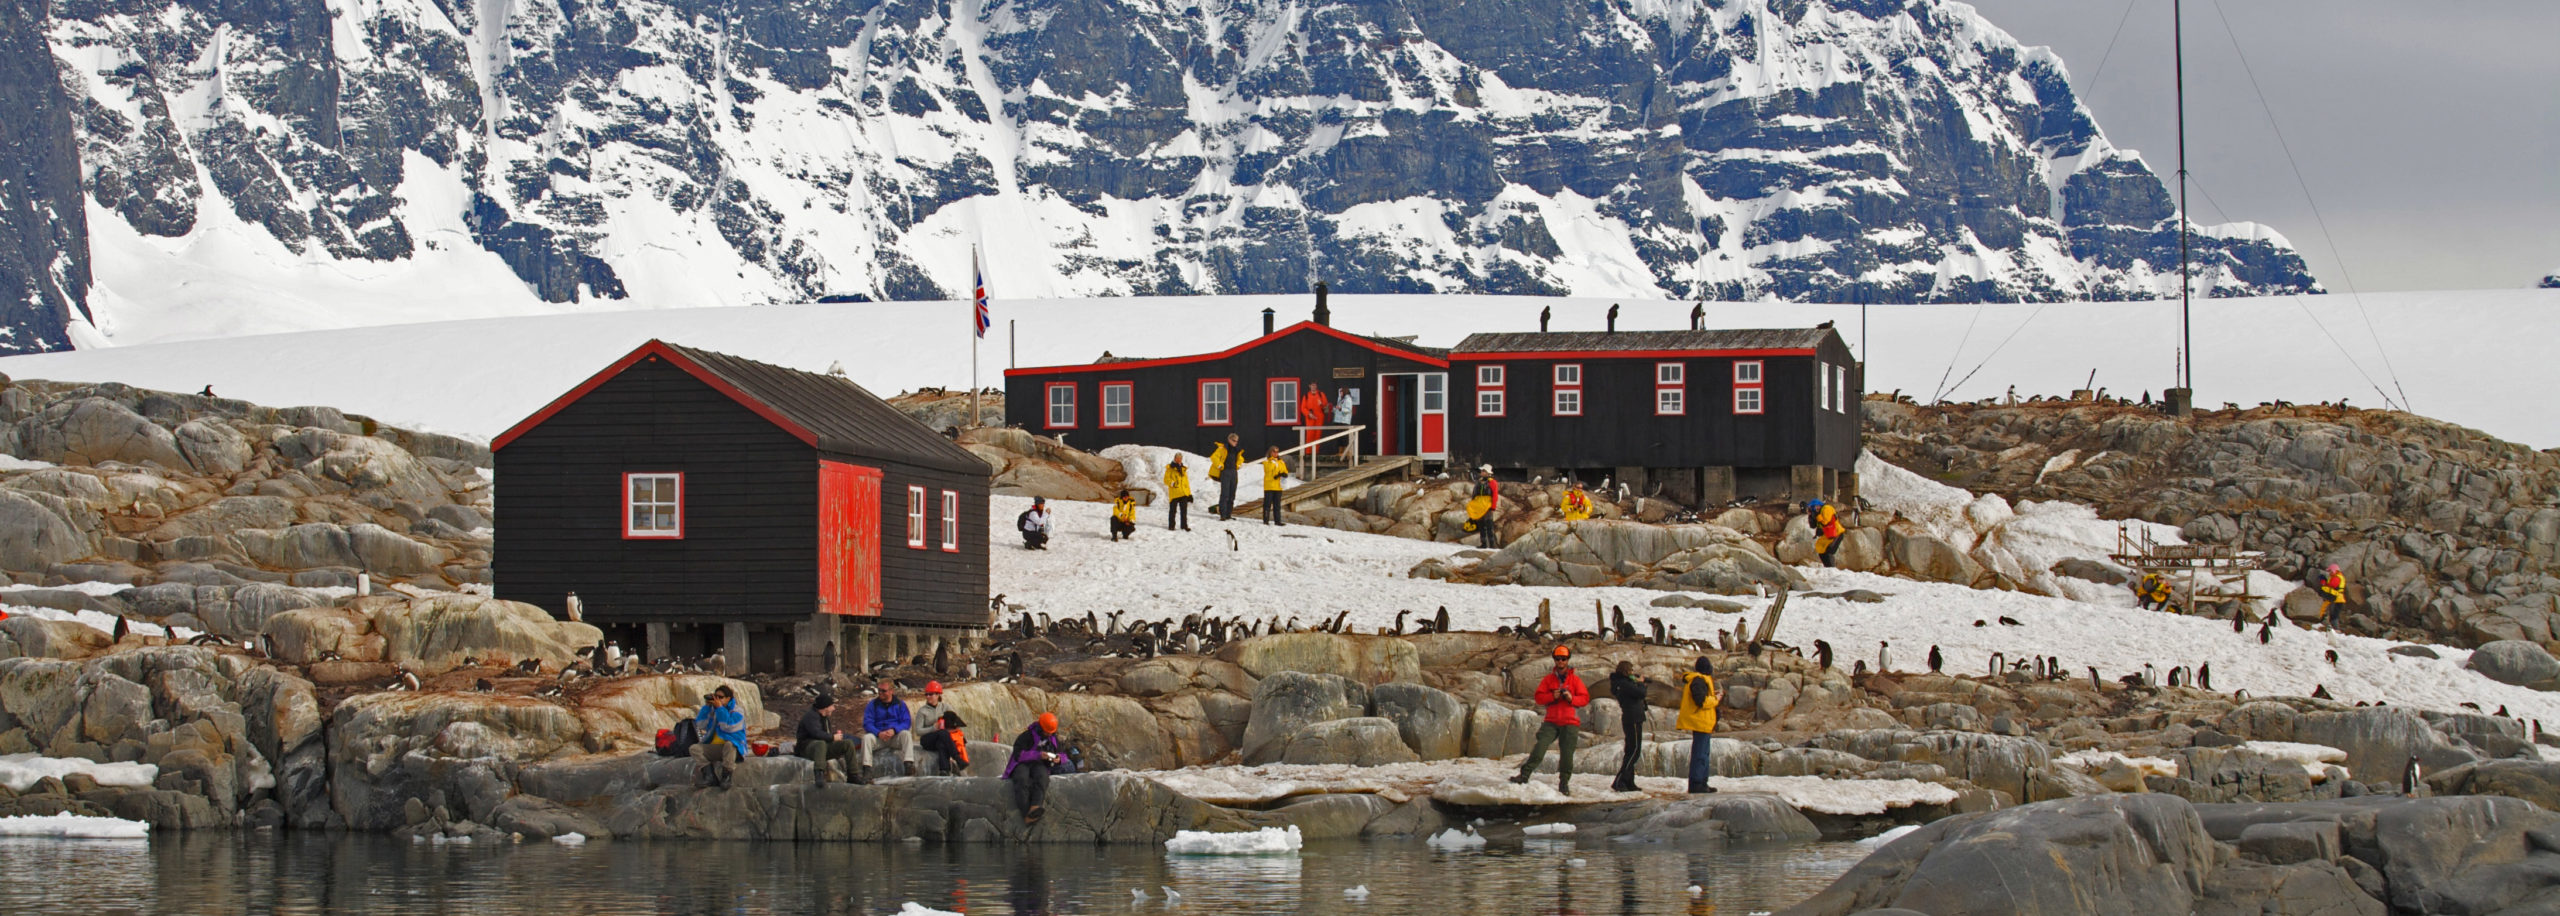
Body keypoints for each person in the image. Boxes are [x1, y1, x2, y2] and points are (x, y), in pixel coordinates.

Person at [1511, 646, 1590, 792]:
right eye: (1558, 658)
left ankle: (1564, 783)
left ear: (1567, 660)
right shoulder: (1548, 680)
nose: (1560, 661)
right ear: (1554, 659)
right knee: (1539, 748)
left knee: (1567, 755)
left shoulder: (1575, 680)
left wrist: (1571, 698)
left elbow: (1584, 698)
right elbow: (1538, 697)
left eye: (1563, 659)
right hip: (1551, 721)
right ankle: (1524, 775)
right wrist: (1552, 697)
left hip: (1570, 722)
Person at [1006, 712, 1070, 823]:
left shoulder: (1053, 739)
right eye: (1047, 732)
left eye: (1051, 733)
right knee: (1022, 778)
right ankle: (1026, 812)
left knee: (1042, 777)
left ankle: (1035, 806)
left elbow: (1063, 754)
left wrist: (1059, 759)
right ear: (1040, 727)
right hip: (1022, 763)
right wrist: (1038, 755)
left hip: (1039, 764)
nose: (1049, 735)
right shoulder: (1026, 736)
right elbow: (1018, 755)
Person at [1677, 657, 1721, 794]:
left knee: (1704, 754)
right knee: (1700, 754)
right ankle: (1696, 784)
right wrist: (1716, 699)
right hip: (1700, 722)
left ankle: (1702, 783)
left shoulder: (1699, 680)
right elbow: (1700, 701)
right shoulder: (1698, 680)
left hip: (1704, 723)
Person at [691, 685, 748, 788]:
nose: (717, 699)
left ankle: (726, 776)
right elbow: (700, 725)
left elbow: (728, 726)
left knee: (729, 745)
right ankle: (709, 776)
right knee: (694, 749)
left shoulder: (737, 711)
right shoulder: (713, 710)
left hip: (733, 748)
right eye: (715, 696)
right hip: (716, 747)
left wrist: (720, 709)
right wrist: (707, 708)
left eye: (720, 697)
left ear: (728, 698)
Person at [794, 694, 860, 783]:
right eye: (832, 706)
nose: (834, 708)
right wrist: (832, 737)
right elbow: (816, 733)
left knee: (848, 743)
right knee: (820, 743)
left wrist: (834, 738)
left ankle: (853, 775)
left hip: (822, 749)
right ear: (825, 707)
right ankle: (819, 774)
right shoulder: (810, 716)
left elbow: (825, 735)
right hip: (807, 749)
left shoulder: (825, 717)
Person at [858, 682, 915, 780]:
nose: (880, 693)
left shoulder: (900, 704)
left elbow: (906, 722)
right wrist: (878, 733)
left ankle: (908, 765)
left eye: (883, 691)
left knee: (906, 734)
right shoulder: (873, 705)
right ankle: (867, 769)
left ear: (891, 691)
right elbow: (867, 723)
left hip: (894, 737)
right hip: (879, 737)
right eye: (879, 690)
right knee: (867, 738)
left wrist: (894, 730)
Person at [1607, 661, 1647, 792]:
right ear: (1626, 671)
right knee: (1635, 751)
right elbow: (1641, 693)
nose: (1632, 672)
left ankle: (1629, 782)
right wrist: (1640, 683)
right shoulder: (1624, 684)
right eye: (1630, 670)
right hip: (1633, 718)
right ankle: (1620, 780)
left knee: (1630, 750)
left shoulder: (1620, 683)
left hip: (1631, 718)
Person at [918, 711, 971, 775]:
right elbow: (918, 731)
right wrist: (933, 728)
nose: (929, 700)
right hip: (927, 738)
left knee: (942, 744)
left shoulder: (944, 707)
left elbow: (953, 719)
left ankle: (944, 770)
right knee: (943, 732)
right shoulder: (923, 710)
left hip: (939, 739)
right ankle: (957, 759)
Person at [1465, 467, 1502, 548]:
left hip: (1487, 506)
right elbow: (1474, 494)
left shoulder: (1492, 482)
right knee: (1481, 525)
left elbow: (1495, 495)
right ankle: (1484, 543)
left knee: (1489, 525)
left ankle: (1492, 544)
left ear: (1488, 473)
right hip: (1479, 506)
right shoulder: (1479, 482)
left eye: (1483, 471)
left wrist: (1493, 507)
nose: (1481, 472)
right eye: (1481, 471)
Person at [1212, 434, 1242, 521]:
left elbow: (1241, 458)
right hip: (1225, 471)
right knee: (1225, 494)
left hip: (1233, 472)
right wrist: (1220, 465)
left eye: (1237, 441)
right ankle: (1223, 515)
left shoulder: (1237, 450)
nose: (1235, 442)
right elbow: (1214, 457)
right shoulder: (1222, 448)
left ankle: (1229, 514)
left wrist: (1238, 464)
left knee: (1232, 494)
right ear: (1229, 439)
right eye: (1234, 440)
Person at [1810, 499, 1844, 567]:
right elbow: (1813, 525)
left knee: (1829, 551)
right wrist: (1811, 516)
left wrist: (1817, 515)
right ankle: (1828, 568)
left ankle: (1832, 569)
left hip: (1836, 533)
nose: (1814, 509)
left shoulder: (1826, 508)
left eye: (1814, 507)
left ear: (1818, 505)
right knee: (1821, 550)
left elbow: (1825, 522)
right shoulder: (1819, 513)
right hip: (1827, 535)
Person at [1260, 446, 1289, 526]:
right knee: (1267, 504)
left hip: (1278, 486)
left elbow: (1285, 470)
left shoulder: (1281, 462)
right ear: (1270, 452)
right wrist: (1278, 473)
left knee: (1277, 505)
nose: (1275, 453)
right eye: (1274, 451)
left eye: (1277, 452)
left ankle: (1277, 521)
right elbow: (1269, 471)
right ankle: (1266, 520)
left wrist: (1284, 474)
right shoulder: (1267, 461)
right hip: (1269, 485)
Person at [1164, 455, 1193, 530]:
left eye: (1180, 458)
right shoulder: (1170, 468)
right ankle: (1171, 526)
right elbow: (1166, 480)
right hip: (1175, 493)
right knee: (1173, 511)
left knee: (1184, 511)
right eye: (1178, 458)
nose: (1179, 459)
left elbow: (1186, 483)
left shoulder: (1183, 469)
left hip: (1183, 493)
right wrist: (1172, 483)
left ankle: (1184, 526)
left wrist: (1189, 494)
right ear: (1175, 458)